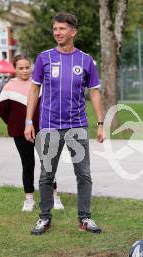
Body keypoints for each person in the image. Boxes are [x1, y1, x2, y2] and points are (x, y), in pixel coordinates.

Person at [24, 12, 104, 235]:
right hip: (49, 126)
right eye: (55, 29)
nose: (57, 33)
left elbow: (95, 92)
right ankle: (44, 218)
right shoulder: (44, 58)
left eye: (61, 29)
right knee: (47, 174)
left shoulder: (86, 60)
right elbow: (34, 89)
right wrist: (29, 121)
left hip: (77, 126)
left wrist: (100, 122)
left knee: (83, 174)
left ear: (73, 31)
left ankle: (85, 218)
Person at [0, 55, 64, 212]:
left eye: (27, 67)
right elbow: (2, 112)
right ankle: (29, 199)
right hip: (20, 133)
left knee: (47, 164)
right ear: (15, 69)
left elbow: (51, 105)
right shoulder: (8, 88)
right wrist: (15, 124)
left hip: (43, 130)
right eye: (21, 68)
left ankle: (54, 196)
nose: (25, 71)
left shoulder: (39, 84)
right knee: (27, 165)